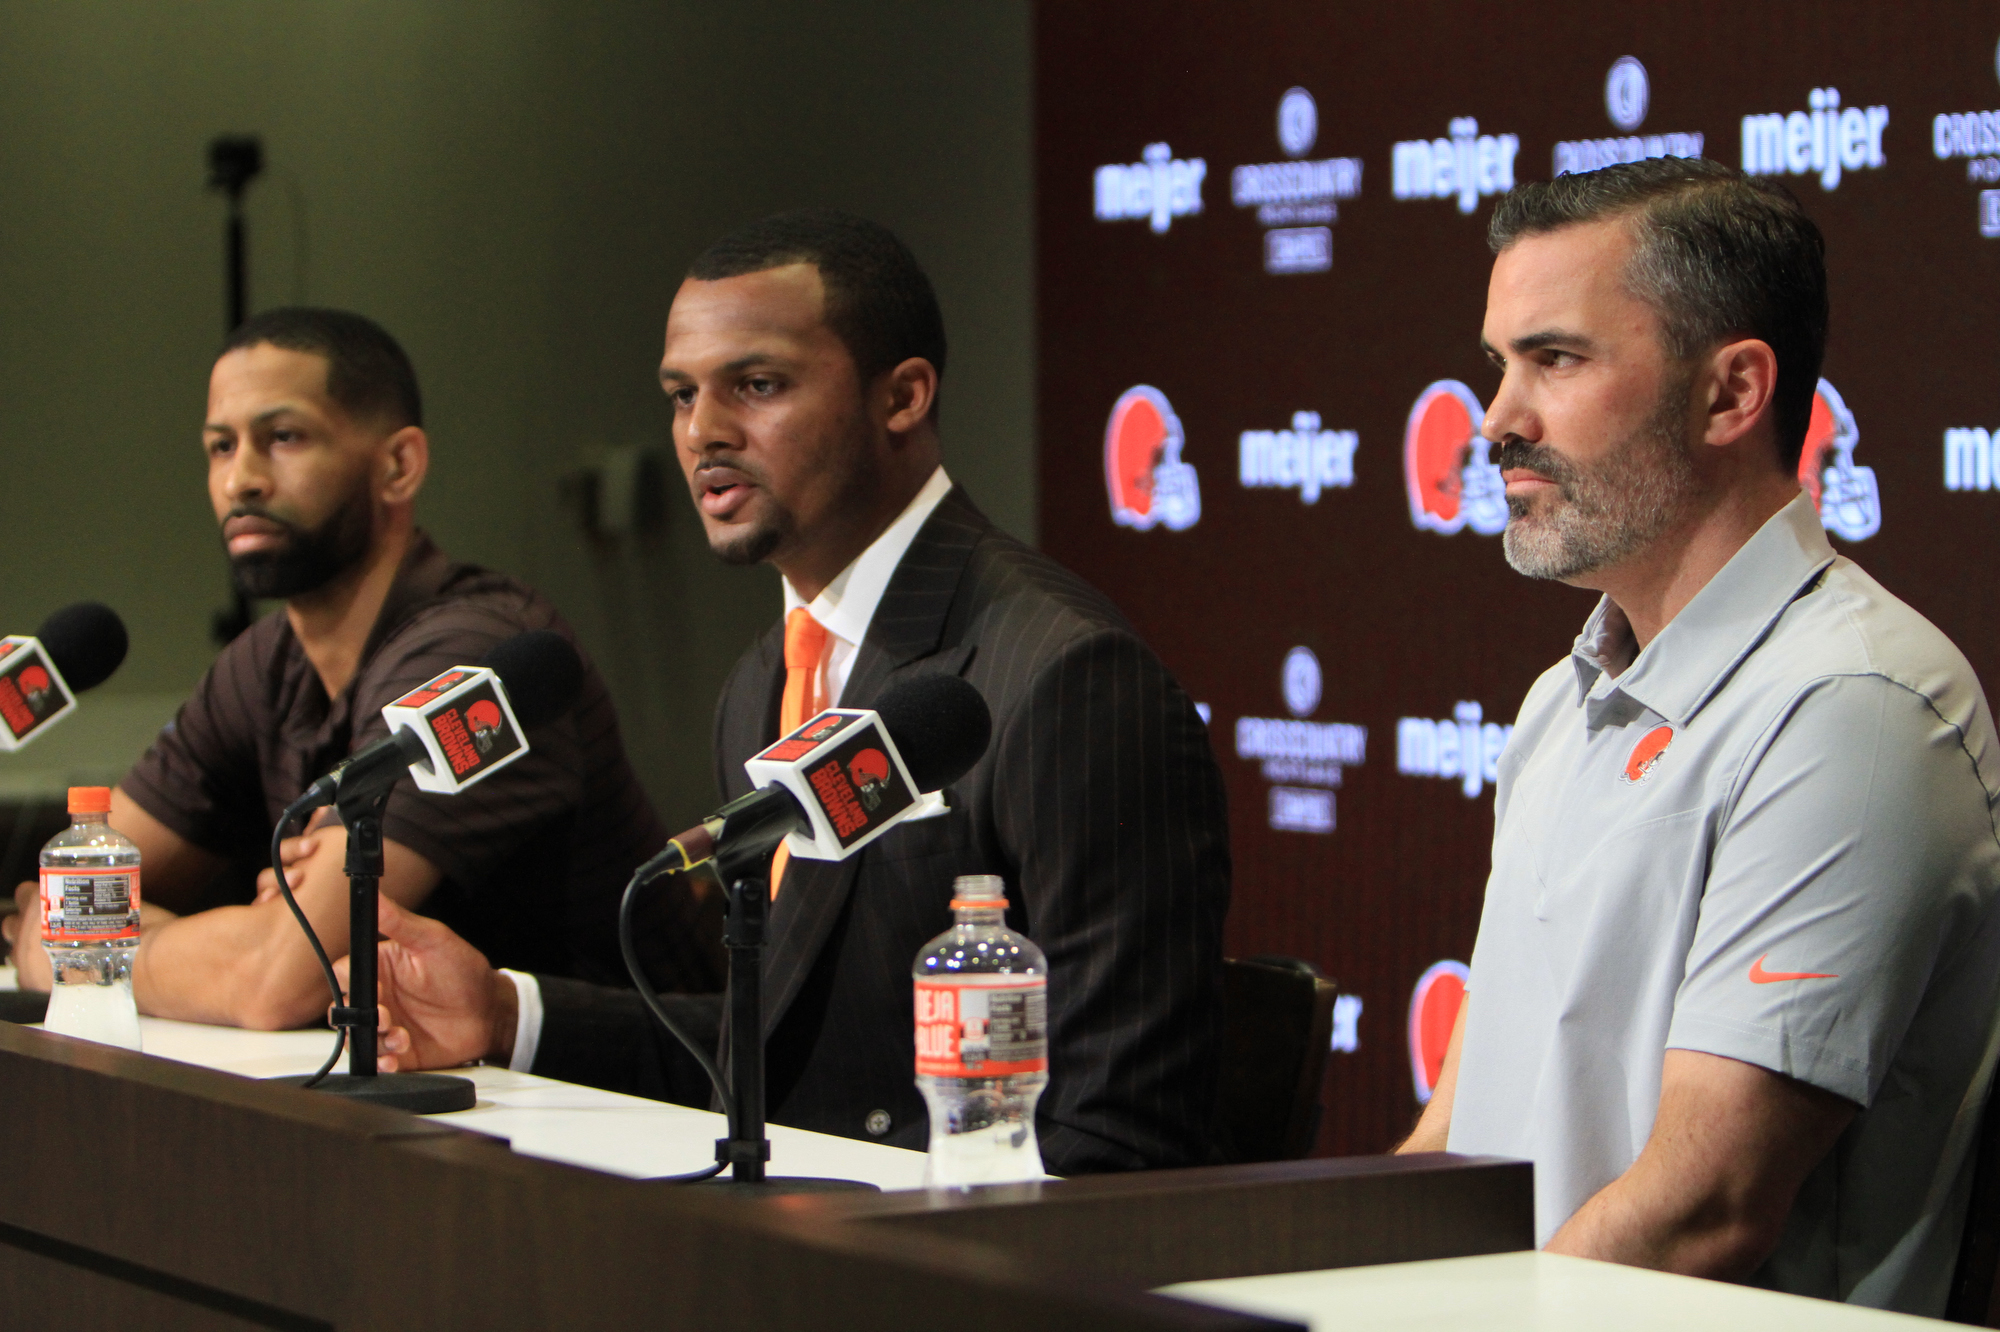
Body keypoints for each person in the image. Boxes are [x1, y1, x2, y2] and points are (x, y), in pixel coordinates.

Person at [351, 210, 1233, 1174]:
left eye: (757, 386)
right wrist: (505, 1013)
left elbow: (1120, 1132)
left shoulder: (1067, 676)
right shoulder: (763, 677)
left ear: (902, 397)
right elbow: (772, 1047)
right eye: (682, 395)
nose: (703, 433)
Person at [1396, 158, 2000, 1315]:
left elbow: (1698, 1210)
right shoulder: (1554, 704)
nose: (1495, 421)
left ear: (1730, 394)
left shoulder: (1856, 709)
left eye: (1555, 360)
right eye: (1497, 365)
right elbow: (1456, 1129)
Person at [4, 309, 718, 1028]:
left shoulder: (471, 653)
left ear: (398, 465)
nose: (241, 479)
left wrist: (96, 953)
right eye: (220, 447)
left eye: (283, 438)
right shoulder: (263, 665)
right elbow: (76, 881)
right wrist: (147, 939)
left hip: (623, 1103)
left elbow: (276, 980)